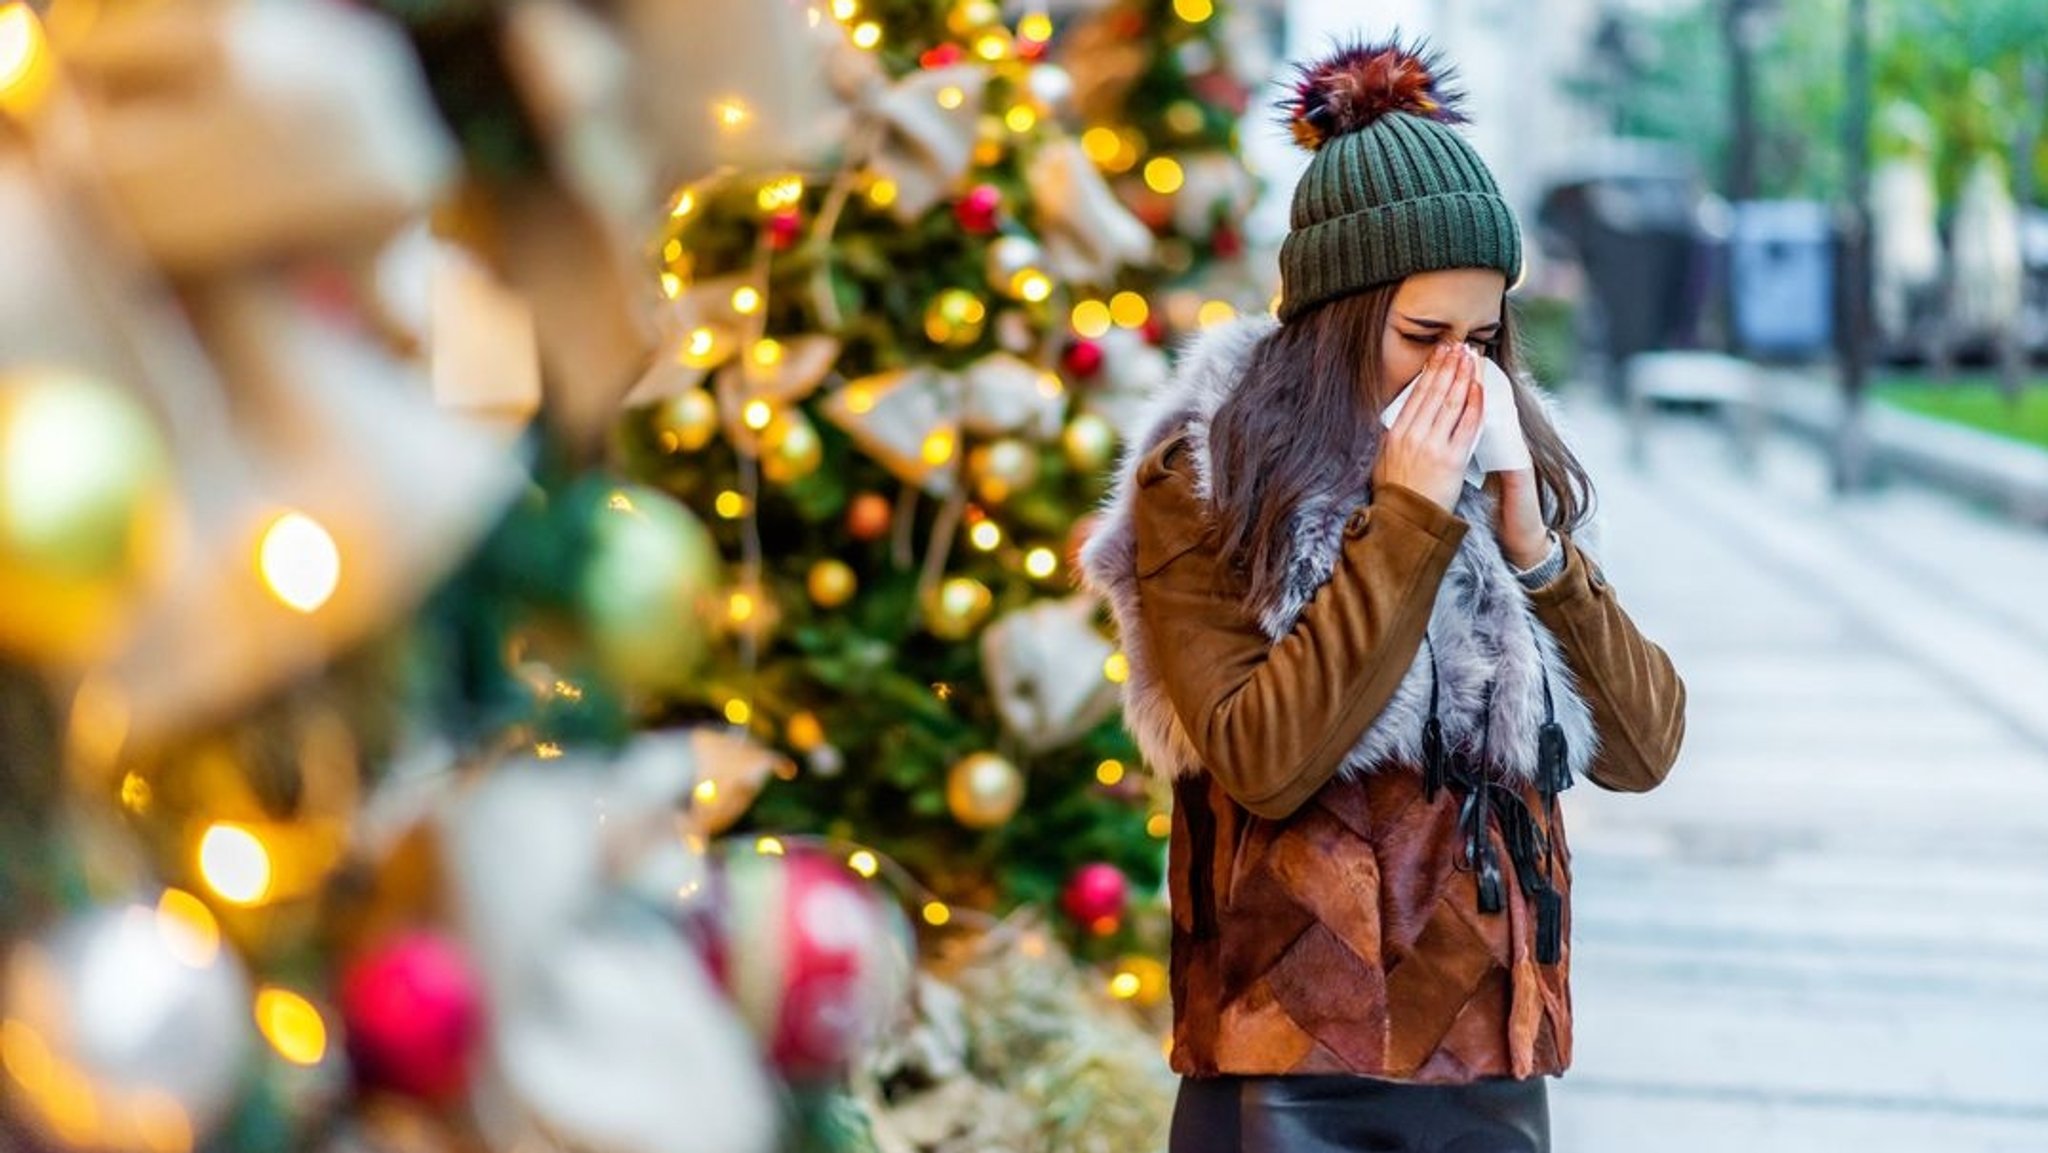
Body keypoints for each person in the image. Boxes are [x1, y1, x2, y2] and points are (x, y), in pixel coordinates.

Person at [1079, 38, 1686, 1153]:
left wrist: (1537, 551)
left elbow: (1641, 749)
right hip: (1290, 1062)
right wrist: (1402, 517)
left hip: (1490, 1057)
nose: (1460, 373)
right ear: (1338, 316)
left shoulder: (1501, 465)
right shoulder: (1204, 476)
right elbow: (1265, 754)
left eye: (1482, 337)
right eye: (1421, 338)